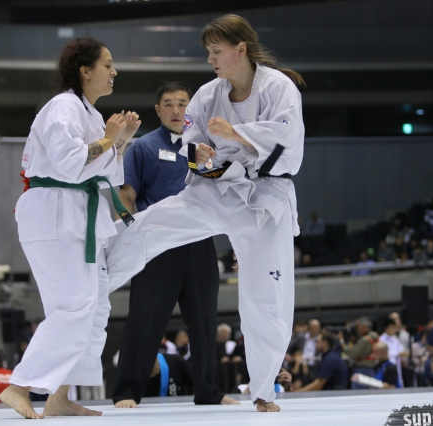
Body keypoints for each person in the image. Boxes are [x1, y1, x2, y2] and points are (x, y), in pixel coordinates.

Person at [105, 14, 305, 412]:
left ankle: (263, 390)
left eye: (216, 51)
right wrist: (203, 155)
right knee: (153, 222)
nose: (210, 59)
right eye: (209, 52)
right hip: (218, 188)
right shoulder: (207, 94)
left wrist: (236, 134)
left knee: (266, 298)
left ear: (240, 50)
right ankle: (95, 275)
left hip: (266, 199)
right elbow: (191, 149)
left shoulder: (278, 88)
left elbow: (289, 144)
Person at [0, 36, 141, 419]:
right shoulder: (63, 107)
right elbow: (69, 164)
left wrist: (120, 142)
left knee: (95, 309)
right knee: (74, 305)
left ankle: (59, 395)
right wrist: (109, 138)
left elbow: (106, 174)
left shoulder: (89, 113)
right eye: (107, 65)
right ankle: (19, 385)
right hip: (56, 212)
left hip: (79, 213)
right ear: (85, 70)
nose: (114, 71)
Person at [112, 81, 235, 409]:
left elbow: (228, 196)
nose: (176, 110)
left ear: (192, 109)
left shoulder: (206, 147)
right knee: (144, 318)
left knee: (204, 320)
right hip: (157, 244)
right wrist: (126, 230)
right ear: (158, 110)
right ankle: (127, 391)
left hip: (200, 241)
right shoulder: (144, 147)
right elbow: (127, 194)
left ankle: (208, 391)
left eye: (182, 104)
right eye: (169, 104)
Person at [341, 317, 378, 390]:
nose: (357, 329)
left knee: (359, 393)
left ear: (365, 327)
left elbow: (352, 353)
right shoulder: (374, 336)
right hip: (370, 368)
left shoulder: (365, 340)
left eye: (358, 326)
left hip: (362, 370)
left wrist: (342, 342)